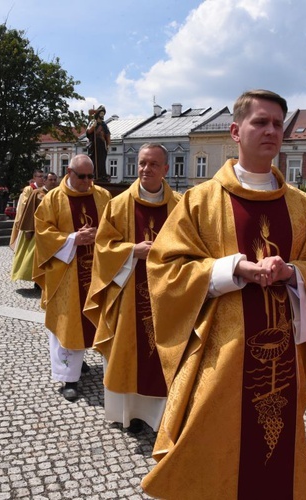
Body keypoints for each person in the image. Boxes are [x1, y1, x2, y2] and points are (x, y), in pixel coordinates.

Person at [140, 90, 306, 499]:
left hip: (281, 352)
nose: (271, 130)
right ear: (236, 131)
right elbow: (164, 267)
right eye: (260, 122)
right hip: (222, 350)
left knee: (275, 450)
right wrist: (234, 270)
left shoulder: (302, 206)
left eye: (277, 124)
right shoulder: (201, 201)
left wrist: (292, 273)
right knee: (213, 437)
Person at [84, 143, 180, 434]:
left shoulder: (180, 205)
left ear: (165, 169)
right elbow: (102, 247)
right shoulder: (119, 204)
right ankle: (130, 415)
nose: (145, 169)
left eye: (153, 164)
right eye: (141, 163)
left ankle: (165, 415)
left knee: (165, 351)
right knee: (129, 351)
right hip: (127, 293)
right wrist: (131, 251)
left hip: (168, 294)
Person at [34, 155, 111, 401]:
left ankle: (80, 362)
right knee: (70, 324)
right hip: (66, 274)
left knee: (97, 318)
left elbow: (115, 226)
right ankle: (69, 377)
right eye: (82, 176)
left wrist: (99, 233)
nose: (87, 182)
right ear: (69, 171)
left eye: (91, 177)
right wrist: (72, 239)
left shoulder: (102, 196)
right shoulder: (53, 199)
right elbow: (43, 233)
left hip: (98, 271)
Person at [10, 169, 47, 284]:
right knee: (26, 251)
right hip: (29, 223)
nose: (41, 179)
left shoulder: (45, 191)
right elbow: (25, 205)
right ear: (34, 178)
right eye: (39, 176)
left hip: (40, 226)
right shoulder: (29, 189)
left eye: (43, 177)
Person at [86, 105, 111, 181]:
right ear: (98, 114)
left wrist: (108, 144)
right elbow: (88, 132)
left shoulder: (103, 124)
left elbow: (107, 134)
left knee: (101, 160)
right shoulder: (93, 122)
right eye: (101, 113)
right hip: (94, 145)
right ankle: (94, 174)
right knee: (93, 160)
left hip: (101, 145)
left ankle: (101, 175)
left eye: (103, 114)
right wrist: (93, 127)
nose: (102, 115)